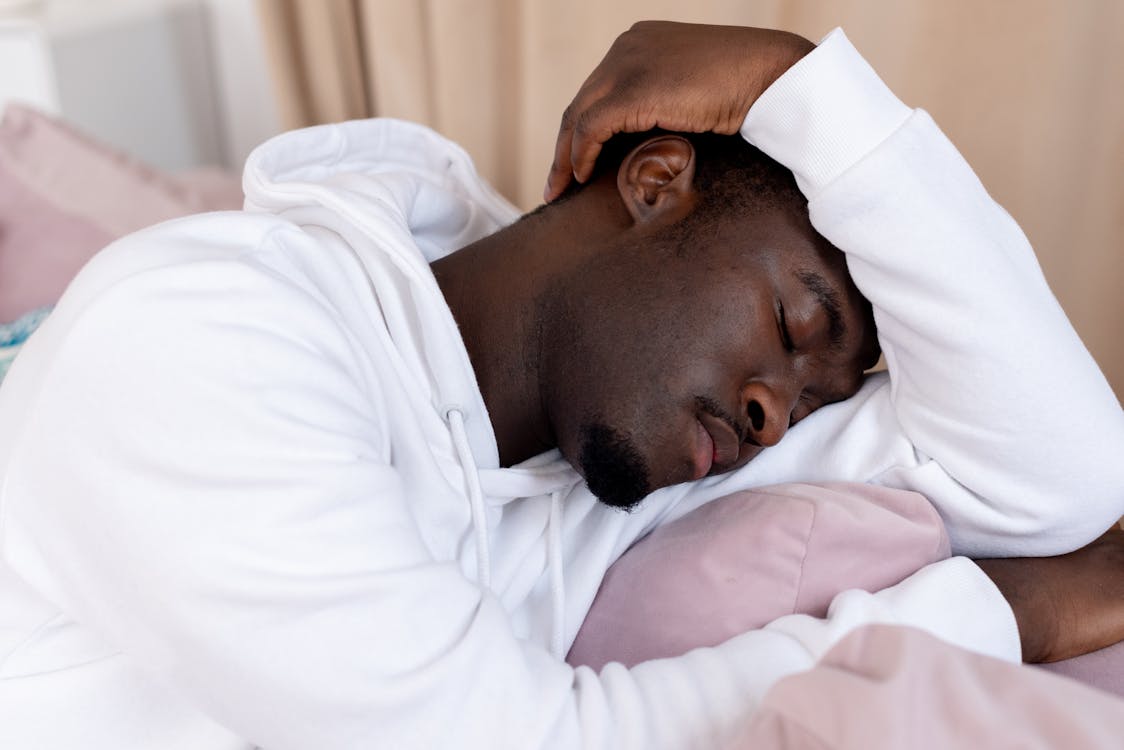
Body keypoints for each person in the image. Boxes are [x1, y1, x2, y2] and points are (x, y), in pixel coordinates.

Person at [0, 20, 1120, 750]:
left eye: (809, 403)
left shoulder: (588, 455)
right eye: (791, 324)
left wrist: (823, 102)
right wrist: (992, 614)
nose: (775, 415)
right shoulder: (207, 340)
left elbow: (1062, 479)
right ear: (651, 182)